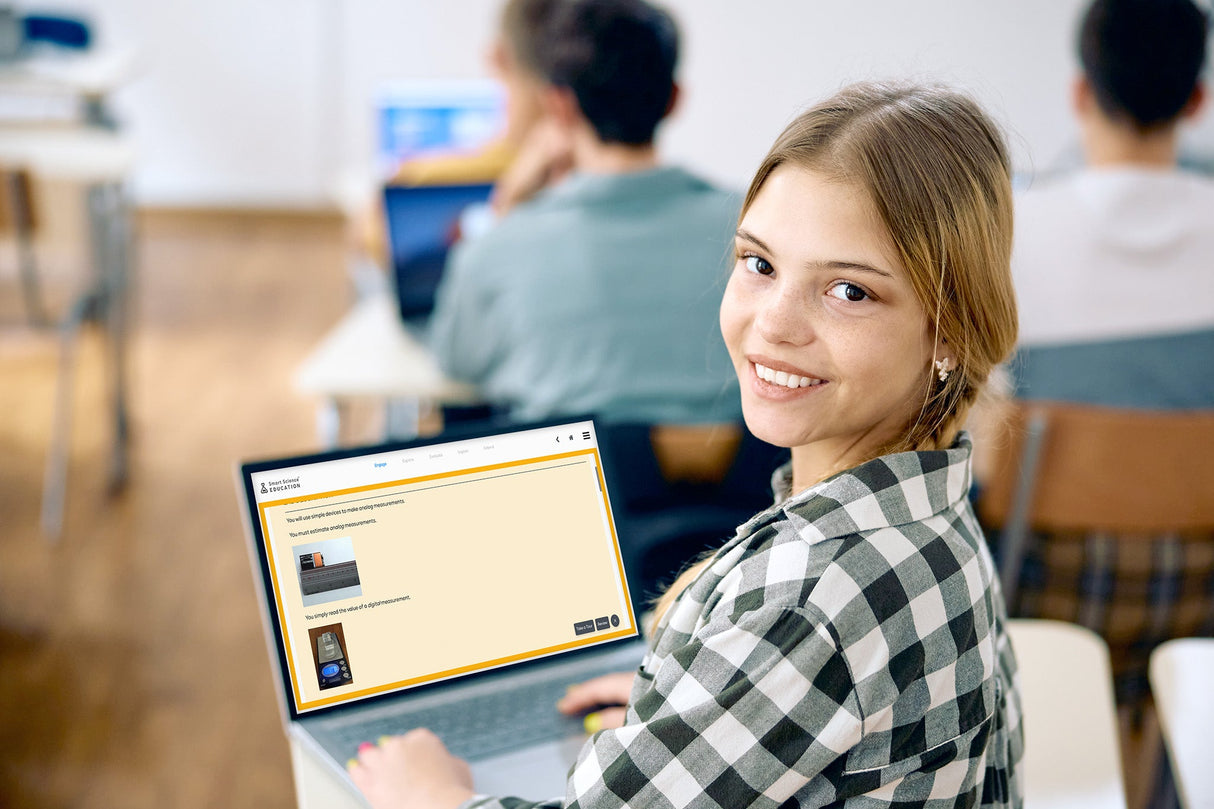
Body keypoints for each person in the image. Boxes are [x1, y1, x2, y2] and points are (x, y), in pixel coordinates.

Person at [350, 80, 1025, 809]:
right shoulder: (930, 511)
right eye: (759, 263)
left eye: (848, 291)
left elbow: (810, 632)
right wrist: (697, 697)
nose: (774, 323)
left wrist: (429, 797)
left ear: (950, 333)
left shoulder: (810, 603)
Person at [1003, 0, 1214, 710]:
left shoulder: (1012, 234)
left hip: (1040, 584)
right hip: (1198, 596)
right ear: (1197, 98)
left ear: (1080, 92)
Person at [427, 0, 743, 425]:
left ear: (558, 106)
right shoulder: (750, 228)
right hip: (740, 490)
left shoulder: (498, 247)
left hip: (569, 486)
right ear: (673, 99)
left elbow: (456, 362)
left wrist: (506, 210)